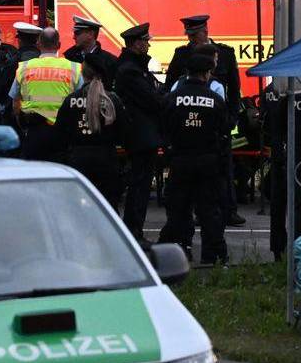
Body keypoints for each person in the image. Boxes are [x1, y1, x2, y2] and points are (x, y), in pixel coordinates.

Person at [163, 16, 245, 227]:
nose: (192, 39)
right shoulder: (182, 54)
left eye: (194, 35)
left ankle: (228, 209)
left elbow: (234, 89)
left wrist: (232, 118)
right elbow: (170, 85)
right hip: (188, 124)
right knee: (191, 173)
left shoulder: (225, 53)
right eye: (189, 35)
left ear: (205, 31)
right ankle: (191, 213)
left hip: (217, 121)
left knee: (224, 167)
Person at [159, 51, 233, 264]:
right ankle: (213, 257)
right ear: (207, 73)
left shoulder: (172, 98)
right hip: (208, 162)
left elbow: (164, 126)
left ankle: (176, 255)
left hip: (180, 161)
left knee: (178, 210)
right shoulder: (215, 99)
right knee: (209, 211)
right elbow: (226, 128)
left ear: (188, 72)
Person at [113, 23, 166, 240]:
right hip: (140, 135)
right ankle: (134, 230)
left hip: (141, 134)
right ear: (136, 44)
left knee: (140, 184)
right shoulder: (130, 70)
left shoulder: (134, 67)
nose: (148, 44)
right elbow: (152, 99)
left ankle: (134, 228)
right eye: (145, 41)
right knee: (139, 186)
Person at [58, 57, 125, 213]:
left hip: (78, 158)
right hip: (106, 159)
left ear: (82, 74)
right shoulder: (112, 100)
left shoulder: (71, 100)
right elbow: (124, 130)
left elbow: (60, 132)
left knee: (78, 208)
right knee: (108, 208)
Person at [11, 27, 81, 162]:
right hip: (63, 132)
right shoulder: (74, 68)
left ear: (38, 44)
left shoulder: (24, 67)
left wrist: (22, 125)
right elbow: (81, 100)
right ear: (59, 45)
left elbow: (15, 103)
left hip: (33, 131)